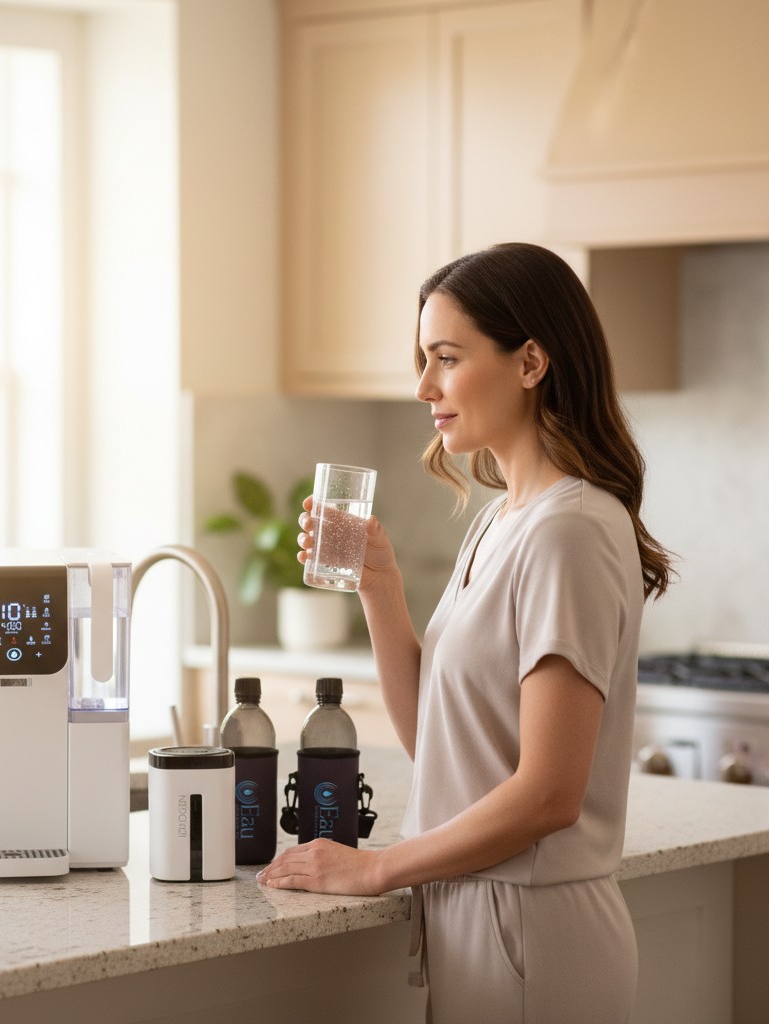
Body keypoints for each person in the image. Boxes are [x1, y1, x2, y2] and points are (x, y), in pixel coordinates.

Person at [256, 242, 675, 1023]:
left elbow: (549, 792)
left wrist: (378, 869)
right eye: (423, 359)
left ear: (530, 362)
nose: (424, 387)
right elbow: (439, 745)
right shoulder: (500, 520)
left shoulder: (570, 529)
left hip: (534, 931)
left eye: (446, 358)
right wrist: (380, 588)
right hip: (480, 918)